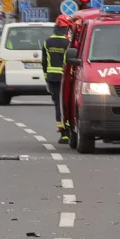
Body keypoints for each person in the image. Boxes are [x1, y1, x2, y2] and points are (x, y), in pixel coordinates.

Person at [43, 15, 73, 144]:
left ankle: (63, 133)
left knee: (57, 105)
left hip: (52, 78)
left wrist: (46, 77)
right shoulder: (68, 43)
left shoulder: (47, 42)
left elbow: (44, 62)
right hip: (65, 79)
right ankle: (69, 129)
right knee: (67, 104)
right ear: (66, 29)